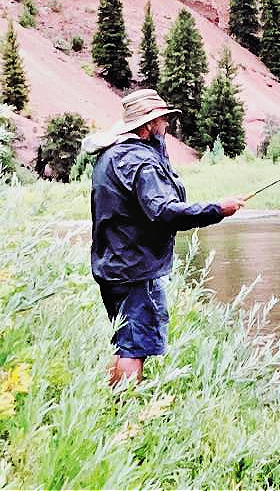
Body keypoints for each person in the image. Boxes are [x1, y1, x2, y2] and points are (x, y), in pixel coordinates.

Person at [84, 89, 246, 386]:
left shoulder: (110, 156)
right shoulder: (140, 162)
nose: (166, 125)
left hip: (114, 267)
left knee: (126, 341)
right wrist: (217, 209)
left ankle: (114, 407)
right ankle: (127, 414)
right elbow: (164, 212)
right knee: (135, 348)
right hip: (135, 271)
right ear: (148, 125)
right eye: (162, 119)